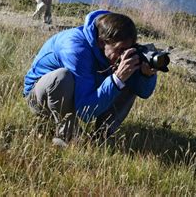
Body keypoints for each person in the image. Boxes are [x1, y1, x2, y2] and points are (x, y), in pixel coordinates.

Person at [24, 10, 157, 146]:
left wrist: (146, 76)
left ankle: (102, 137)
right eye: (120, 50)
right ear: (101, 42)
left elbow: (144, 93)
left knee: (127, 74)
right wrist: (117, 79)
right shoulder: (76, 48)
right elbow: (85, 112)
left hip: (80, 91)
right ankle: (68, 136)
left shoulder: (113, 50)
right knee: (62, 77)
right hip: (40, 97)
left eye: (128, 49)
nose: (123, 55)